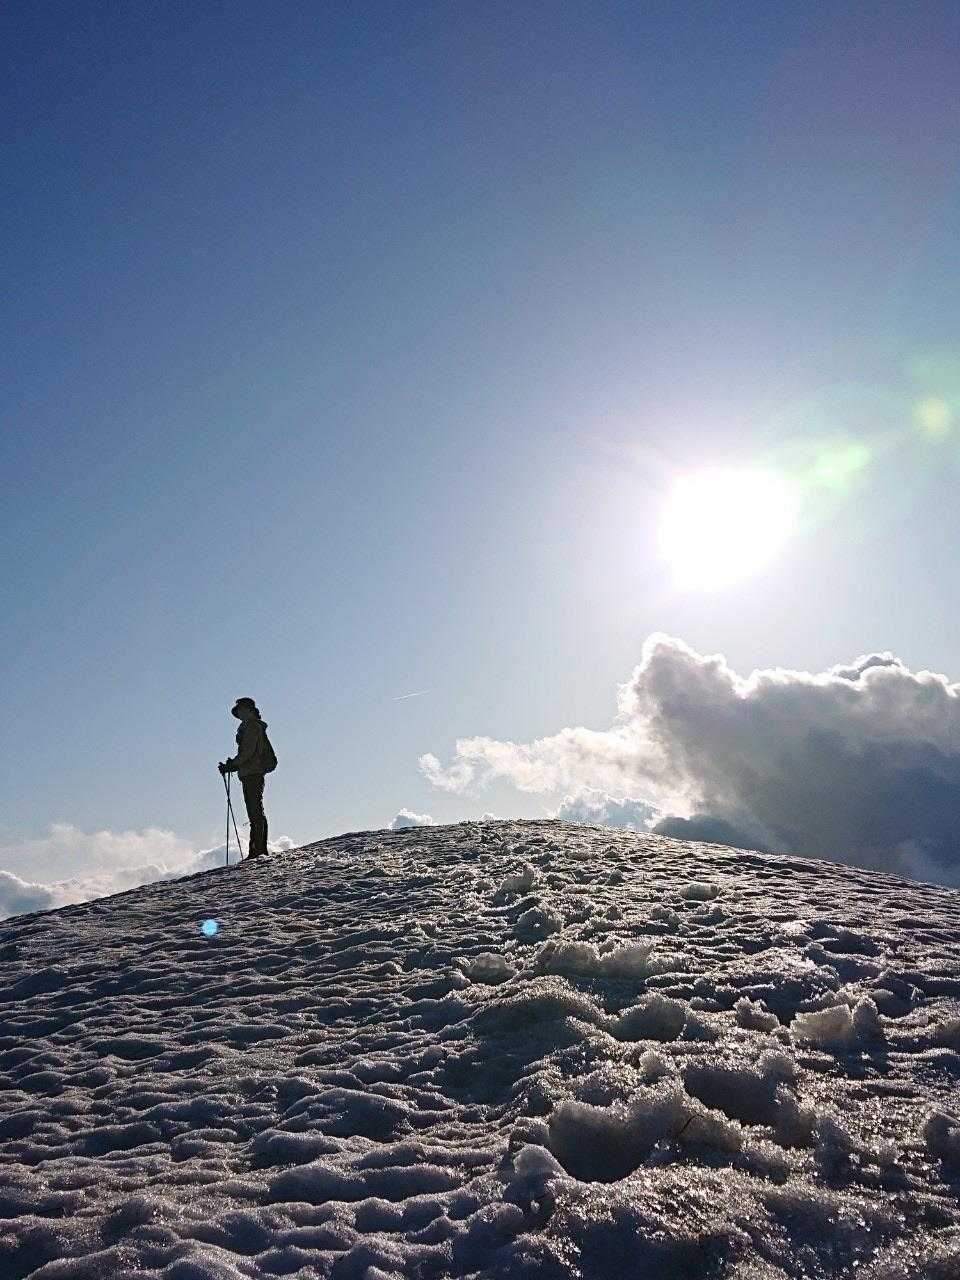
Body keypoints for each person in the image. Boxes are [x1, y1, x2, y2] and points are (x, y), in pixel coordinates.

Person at [218, 697, 275, 859]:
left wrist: (232, 765)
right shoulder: (250, 727)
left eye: (241, 710)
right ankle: (258, 849)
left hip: (252, 772)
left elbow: (247, 752)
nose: (239, 713)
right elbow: (247, 753)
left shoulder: (252, 727)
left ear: (249, 711)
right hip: (252, 772)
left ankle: (257, 850)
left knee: (254, 810)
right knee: (255, 809)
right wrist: (233, 765)